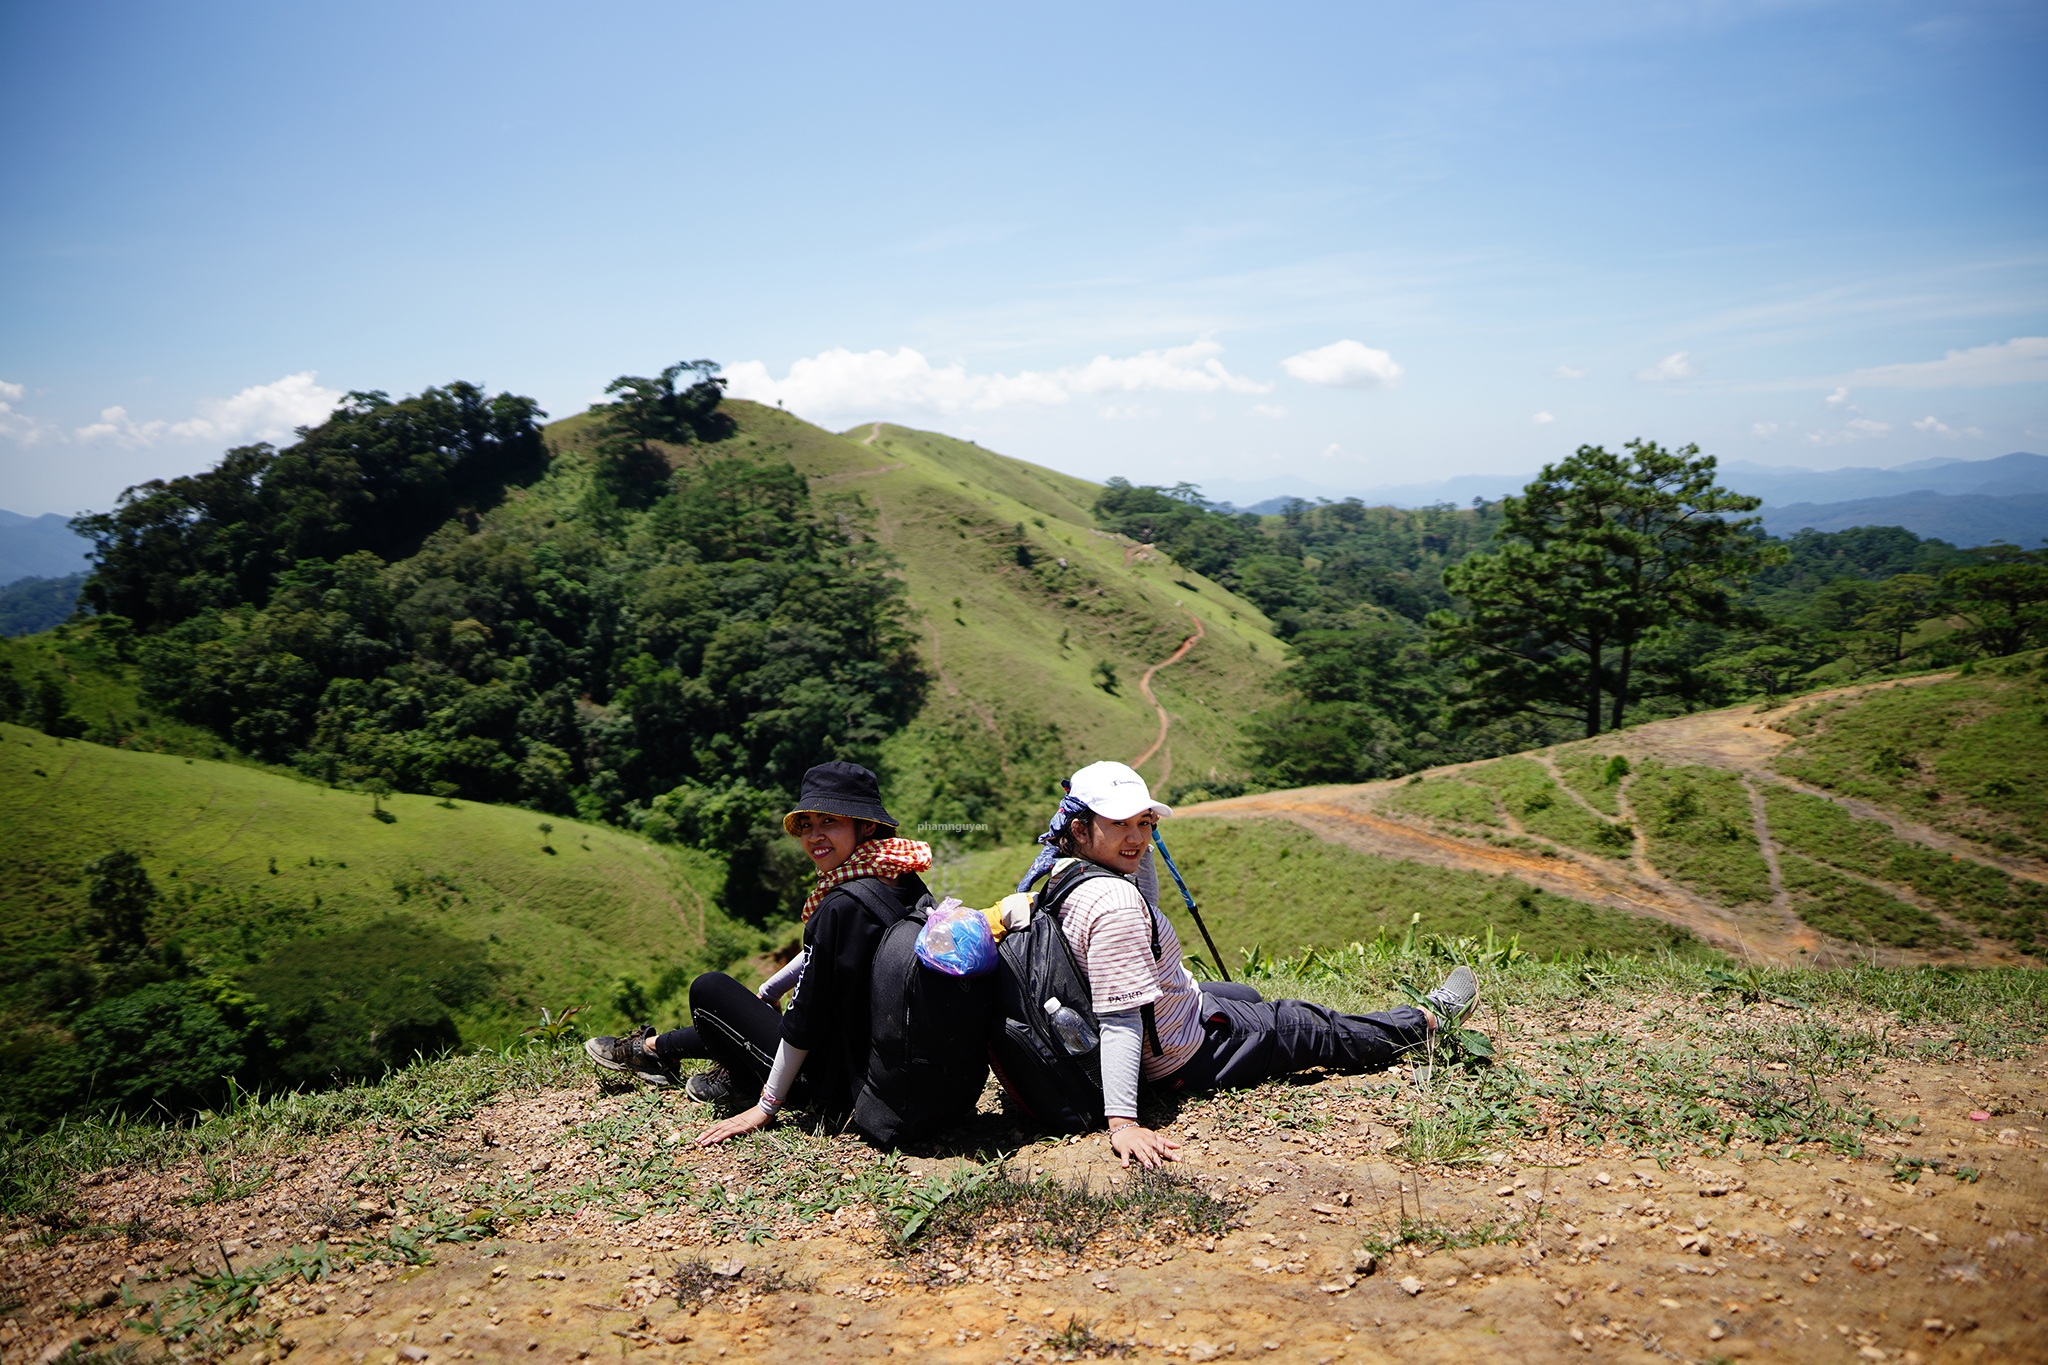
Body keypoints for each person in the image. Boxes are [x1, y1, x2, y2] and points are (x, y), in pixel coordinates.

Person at [1020, 760, 1480, 1170]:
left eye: (1144, 822)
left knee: (1244, 995)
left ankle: (1246, 1017)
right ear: (1080, 829)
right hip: (1184, 1052)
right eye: (1120, 823)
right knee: (1306, 1023)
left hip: (1173, 1013)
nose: (1138, 837)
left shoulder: (1059, 873)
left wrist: (1128, 848)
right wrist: (1123, 1123)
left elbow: (1145, 909)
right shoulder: (1115, 904)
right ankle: (1426, 1020)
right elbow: (1120, 1019)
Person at [583, 761, 933, 1144]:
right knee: (753, 1007)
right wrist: (771, 989)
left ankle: (677, 1059)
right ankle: (669, 1056)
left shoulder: (840, 905)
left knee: (710, 991)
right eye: (807, 825)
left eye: (829, 822)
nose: (815, 836)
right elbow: (830, 954)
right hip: (890, 1069)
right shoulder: (901, 877)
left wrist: (766, 1107)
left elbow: (804, 1022)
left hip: (837, 1086)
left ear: (865, 826)